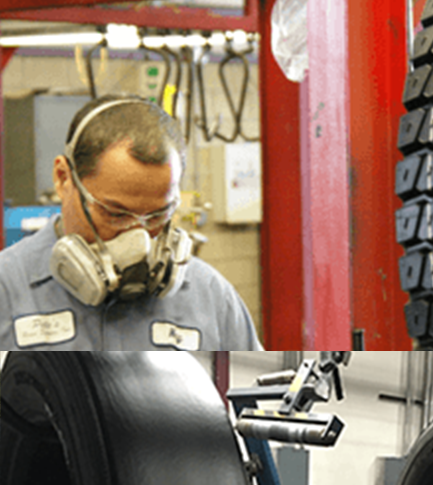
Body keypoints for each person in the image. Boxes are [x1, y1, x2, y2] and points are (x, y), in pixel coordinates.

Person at [0, 94, 263, 350]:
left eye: (158, 215)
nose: (139, 238)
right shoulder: (8, 286)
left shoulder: (211, 297)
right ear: (62, 178)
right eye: (116, 214)